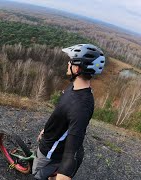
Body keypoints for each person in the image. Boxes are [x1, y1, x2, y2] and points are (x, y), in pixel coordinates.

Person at [32, 44, 106, 180]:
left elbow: (71, 151)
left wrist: (62, 175)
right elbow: (61, 115)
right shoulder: (74, 87)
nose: (68, 63)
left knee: (36, 174)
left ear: (77, 68)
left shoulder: (81, 108)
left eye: (70, 61)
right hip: (50, 138)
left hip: (50, 152)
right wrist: (45, 129)